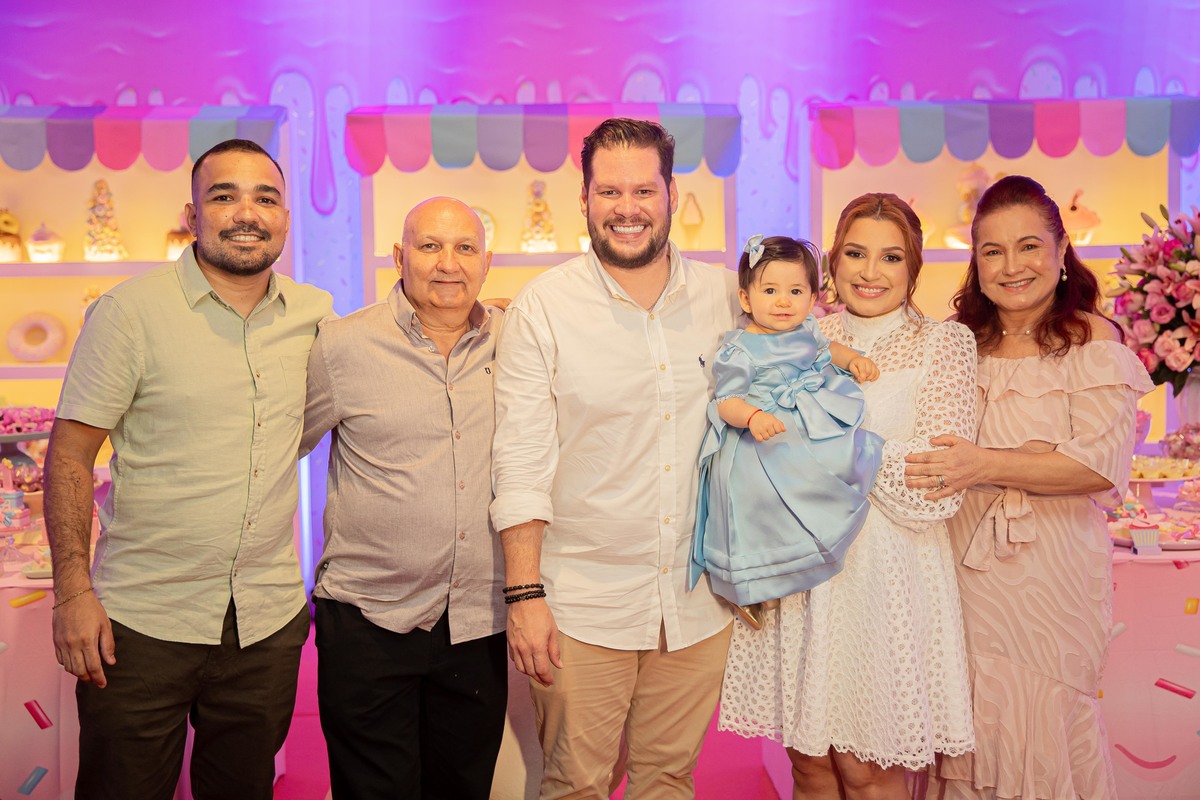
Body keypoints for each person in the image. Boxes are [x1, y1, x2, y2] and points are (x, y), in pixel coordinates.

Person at [44, 138, 333, 800]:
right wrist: (72, 592)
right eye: (224, 196)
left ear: (286, 217)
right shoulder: (129, 313)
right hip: (140, 623)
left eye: (265, 198)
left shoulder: (316, 317)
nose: (247, 213)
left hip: (265, 623)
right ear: (193, 214)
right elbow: (70, 455)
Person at [490, 117, 741, 799]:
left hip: (697, 602)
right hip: (582, 605)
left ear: (671, 194)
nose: (626, 209)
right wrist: (524, 596)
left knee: (669, 780)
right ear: (584, 199)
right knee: (577, 784)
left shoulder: (727, 298)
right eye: (609, 192)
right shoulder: (545, 308)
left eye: (642, 191)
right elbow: (520, 463)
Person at [718, 193, 977, 799]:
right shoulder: (797, 330)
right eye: (856, 253)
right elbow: (746, 443)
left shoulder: (944, 344)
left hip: (885, 581)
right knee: (807, 766)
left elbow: (933, 492)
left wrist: (824, 451)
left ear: (914, 266)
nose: (870, 271)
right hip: (800, 577)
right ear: (832, 262)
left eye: (891, 256)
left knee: (867, 773)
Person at [908, 176, 1153, 800]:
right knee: (966, 726)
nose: (1011, 266)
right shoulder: (957, 342)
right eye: (993, 251)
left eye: (1029, 246)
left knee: (1044, 726)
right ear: (975, 261)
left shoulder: (1094, 341)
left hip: (1054, 577)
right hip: (960, 576)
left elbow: (1098, 468)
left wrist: (983, 465)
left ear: (1062, 248)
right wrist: (1032, 458)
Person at [299, 197, 507, 800]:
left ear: (486, 262)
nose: (449, 263)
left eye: (465, 248)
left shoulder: (516, 341)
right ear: (399, 256)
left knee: (464, 789)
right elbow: (277, 446)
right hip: (368, 619)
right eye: (430, 246)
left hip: (476, 620)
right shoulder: (342, 346)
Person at [690, 233, 884, 630]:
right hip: (758, 438)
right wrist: (752, 416)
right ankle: (755, 581)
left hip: (804, 420)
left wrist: (853, 359)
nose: (783, 301)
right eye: (770, 290)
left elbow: (827, 350)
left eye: (795, 291)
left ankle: (808, 550)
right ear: (746, 299)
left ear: (812, 299)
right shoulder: (740, 349)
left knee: (839, 460)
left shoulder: (807, 329)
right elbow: (726, 401)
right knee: (757, 501)